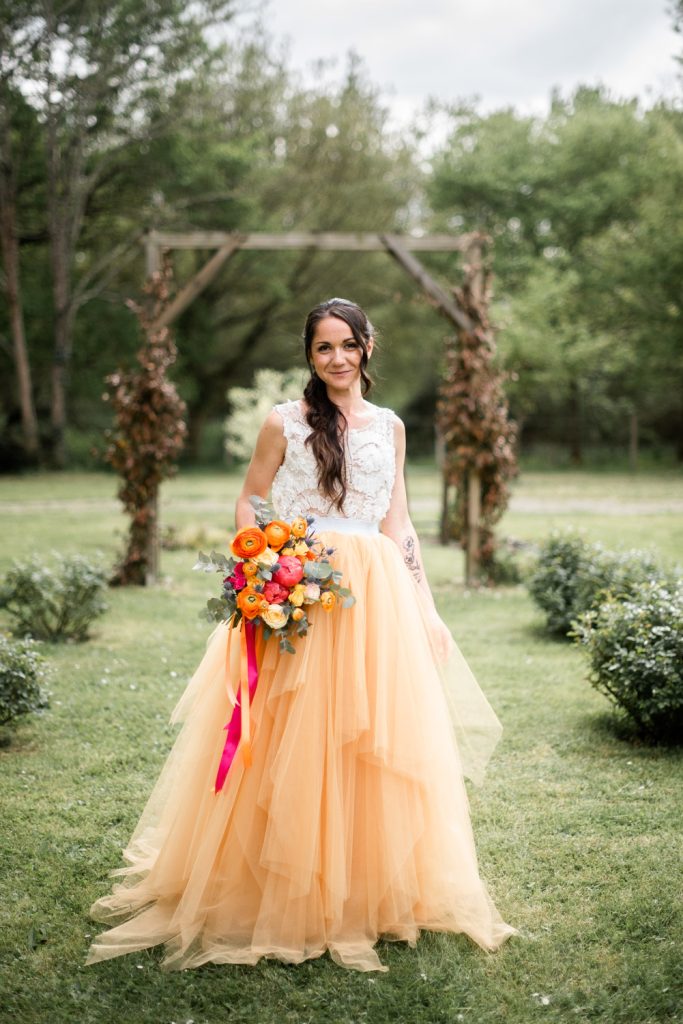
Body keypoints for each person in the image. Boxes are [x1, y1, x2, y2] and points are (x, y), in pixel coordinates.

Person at [85, 297, 516, 973]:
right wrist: (259, 562)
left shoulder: (391, 426)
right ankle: (276, 887)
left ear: (367, 347)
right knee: (294, 736)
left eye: (348, 344)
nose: (337, 358)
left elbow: (396, 524)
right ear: (309, 355)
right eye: (323, 348)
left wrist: (426, 607)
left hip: (375, 598)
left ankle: (366, 891)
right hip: (302, 586)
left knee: (368, 739)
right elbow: (249, 496)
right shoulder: (283, 422)